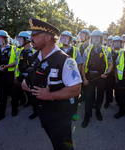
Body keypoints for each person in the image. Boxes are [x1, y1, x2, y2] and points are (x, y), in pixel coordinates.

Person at [21, 18, 81, 149]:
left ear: (47, 38)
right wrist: (25, 83)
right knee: (54, 141)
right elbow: (31, 74)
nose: (31, 38)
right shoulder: (35, 56)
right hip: (43, 111)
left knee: (63, 146)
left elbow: (76, 89)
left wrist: (49, 95)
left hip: (60, 114)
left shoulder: (65, 61)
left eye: (35, 35)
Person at [81, 30, 113, 128]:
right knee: (88, 97)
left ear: (101, 39)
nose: (96, 39)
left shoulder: (106, 50)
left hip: (101, 77)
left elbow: (111, 64)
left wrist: (107, 73)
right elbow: (83, 65)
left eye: (98, 37)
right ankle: (87, 116)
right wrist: (84, 79)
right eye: (94, 37)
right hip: (90, 77)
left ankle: (98, 112)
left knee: (100, 96)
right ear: (91, 38)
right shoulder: (87, 49)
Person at [0, 30, 18, 125]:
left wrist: (6, 67)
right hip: (0, 75)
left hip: (9, 74)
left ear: (6, 38)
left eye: (1, 38)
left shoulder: (13, 48)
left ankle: (14, 108)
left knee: (13, 92)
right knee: (1, 94)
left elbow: (16, 62)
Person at [59, 31, 83, 121]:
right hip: (61, 77)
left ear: (70, 39)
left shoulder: (76, 50)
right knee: (62, 95)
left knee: (74, 96)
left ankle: (74, 111)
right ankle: (64, 112)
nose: (64, 39)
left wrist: (77, 78)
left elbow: (80, 64)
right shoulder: (57, 49)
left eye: (66, 38)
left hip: (73, 78)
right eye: (63, 37)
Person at [15, 31, 38, 119]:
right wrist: (16, 77)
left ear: (27, 40)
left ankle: (36, 111)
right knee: (26, 91)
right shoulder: (20, 51)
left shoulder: (34, 51)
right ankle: (29, 101)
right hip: (22, 75)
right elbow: (17, 64)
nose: (19, 41)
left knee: (33, 94)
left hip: (32, 77)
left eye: (21, 39)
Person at [104, 36, 121, 108]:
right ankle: (108, 101)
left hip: (119, 74)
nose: (116, 43)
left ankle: (119, 102)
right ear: (112, 43)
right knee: (109, 88)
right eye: (115, 42)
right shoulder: (109, 51)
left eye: (118, 42)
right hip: (110, 73)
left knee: (118, 89)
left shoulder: (123, 51)